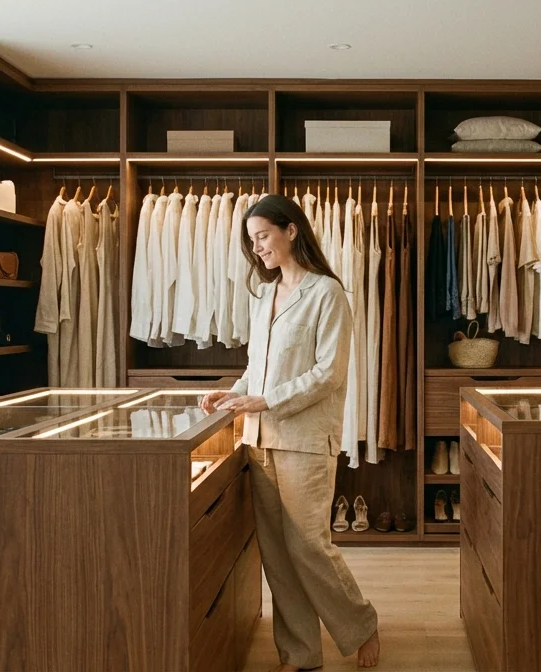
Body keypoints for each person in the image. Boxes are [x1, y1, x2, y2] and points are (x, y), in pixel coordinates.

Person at [201, 194, 381, 671]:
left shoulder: (328, 294)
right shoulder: (265, 295)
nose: (256, 247)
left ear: (291, 231)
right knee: (277, 555)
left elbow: (329, 374)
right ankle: (300, 654)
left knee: (309, 546)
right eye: (252, 239)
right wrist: (230, 392)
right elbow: (255, 368)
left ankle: (361, 624)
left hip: (303, 440)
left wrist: (264, 400)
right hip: (258, 440)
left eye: (262, 236)